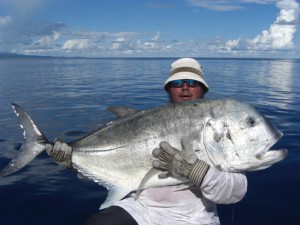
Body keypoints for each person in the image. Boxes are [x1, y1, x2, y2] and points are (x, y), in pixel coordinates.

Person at [46, 58, 247, 225]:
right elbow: (115, 167)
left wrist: (198, 172)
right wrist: (73, 163)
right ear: (169, 89)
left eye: (192, 82)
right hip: (142, 210)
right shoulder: (146, 123)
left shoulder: (219, 128)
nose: (185, 88)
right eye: (177, 83)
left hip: (192, 218)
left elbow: (235, 192)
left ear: (203, 89)